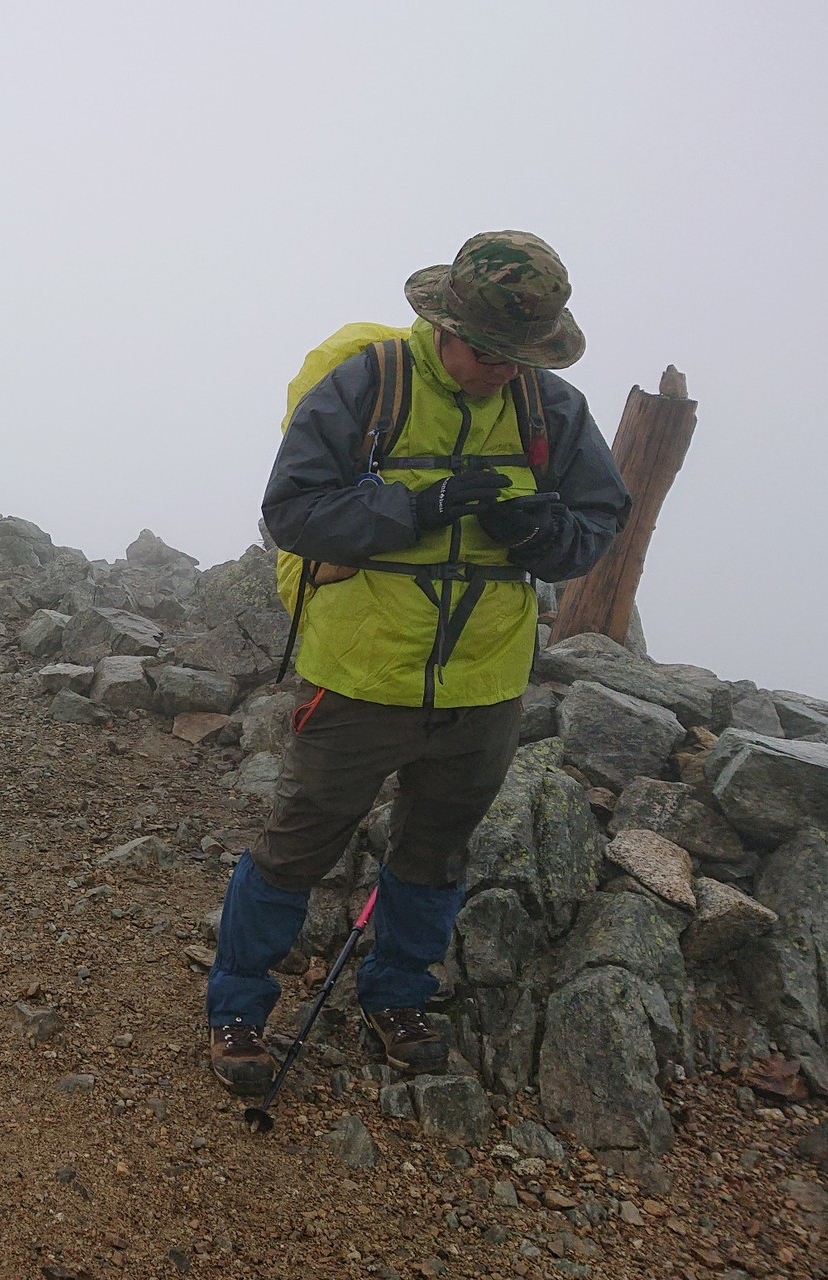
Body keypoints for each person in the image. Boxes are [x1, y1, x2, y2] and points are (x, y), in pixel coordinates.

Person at [207, 230, 631, 1097]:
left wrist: (540, 534)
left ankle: (398, 998)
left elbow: (597, 521)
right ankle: (238, 1009)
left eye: (521, 355)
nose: (503, 370)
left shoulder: (551, 407)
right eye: (489, 351)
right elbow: (293, 511)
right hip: (361, 674)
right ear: (446, 326)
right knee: (297, 848)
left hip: (485, 684)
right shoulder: (368, 385)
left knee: (435, 852)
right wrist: (417, 507)